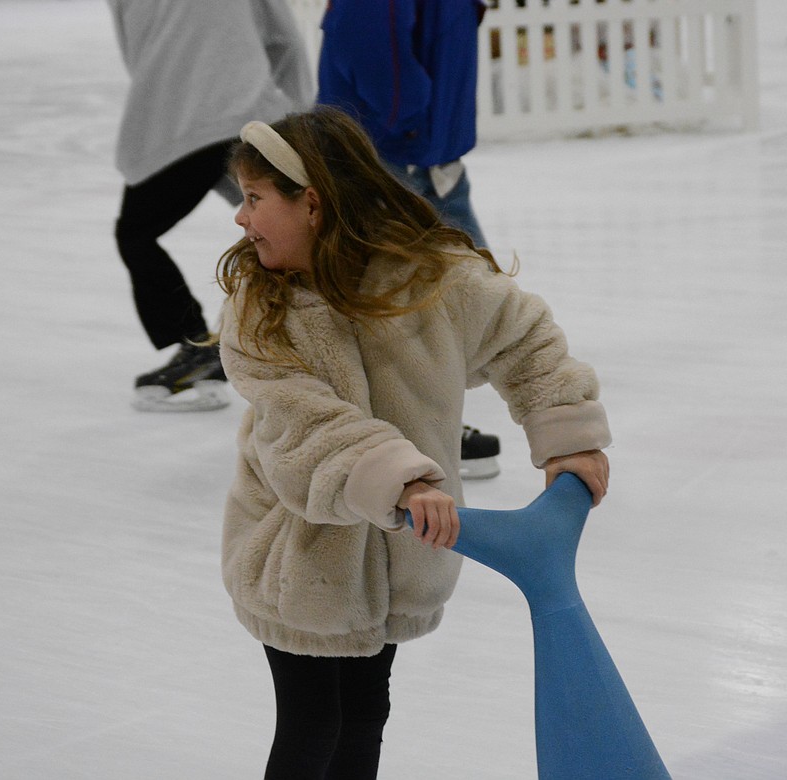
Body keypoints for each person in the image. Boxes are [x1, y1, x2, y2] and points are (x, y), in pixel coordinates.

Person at [216, 106, 612, 779]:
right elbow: (303, 427)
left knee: (367, 714)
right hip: (300, 558)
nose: (239, 217)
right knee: (315, 722)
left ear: (310, 204)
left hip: (399, 560)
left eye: (254, 199)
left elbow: (525, 340)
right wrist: (400, 477)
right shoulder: (261, 312)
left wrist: (567, 436)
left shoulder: (429, 281)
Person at [316, 0, 502, 476]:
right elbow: (367, 32)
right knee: (383, 305)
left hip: (425, 147)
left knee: (475, 294)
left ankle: (419, 424)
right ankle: (394, 433)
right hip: (386, 148)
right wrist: (410, 115)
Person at [107, 0, 313, 411]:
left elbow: (138, 54)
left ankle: (200, 346)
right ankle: (316, 331)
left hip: (184, 127)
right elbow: (285, 41)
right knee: (294, 227)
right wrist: (293, 112)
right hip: (244, 115)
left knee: (136, 233)